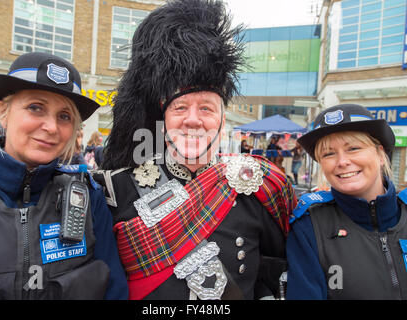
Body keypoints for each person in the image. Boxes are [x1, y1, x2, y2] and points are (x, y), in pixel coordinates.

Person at [94, 0, 297, 300]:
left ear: (222, 119)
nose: (193, 119)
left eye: (206, 108)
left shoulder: (255, 186)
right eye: (180, 107)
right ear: (163, 116)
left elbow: (277, 269)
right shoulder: (117, 187)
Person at [0, 51, 128, 300]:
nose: (51, 127)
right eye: (35, 107)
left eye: (64, 116)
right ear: (2, 113)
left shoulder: (89, 196)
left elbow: (115, 291)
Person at [286, 104, 407, 300]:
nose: (342, 161)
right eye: (328, 154)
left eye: (353, 148)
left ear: (380, 154)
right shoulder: (309, 226)